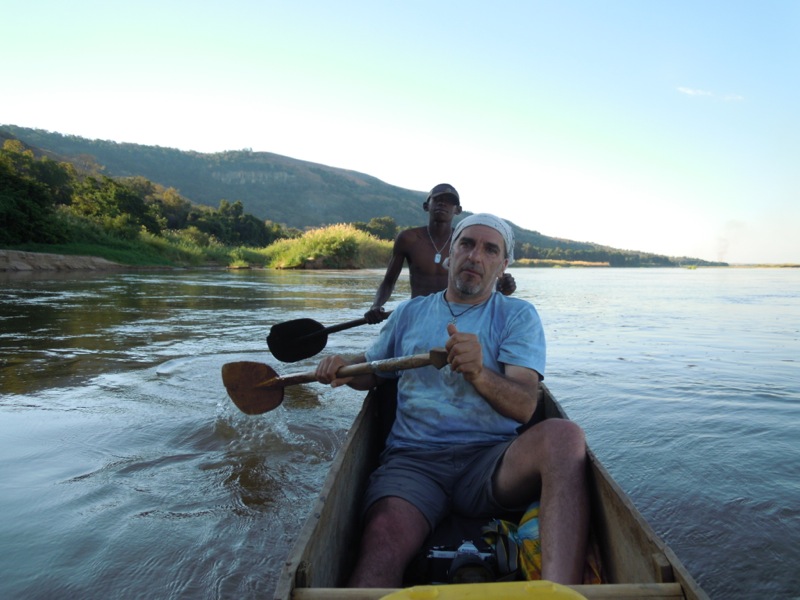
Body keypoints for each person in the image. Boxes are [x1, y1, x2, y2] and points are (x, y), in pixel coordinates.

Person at [317, 213, 589, 587]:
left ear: (503, 264)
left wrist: (478, 373)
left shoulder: (517, 316)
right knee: (382, 539)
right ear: (450, 254)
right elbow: (373, 370)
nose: (476, 256)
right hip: (414, 463)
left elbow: (526, 405)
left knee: (565, 437)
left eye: (490, 249)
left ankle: (562, 593)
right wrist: (341, 367)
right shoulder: (410, 312)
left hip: (490, 464)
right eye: (467, 244)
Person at [364, 183, 516, 324]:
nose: (443, 204)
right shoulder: (408, 239)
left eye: (450, 202)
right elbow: (389, 281)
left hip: (456, 315)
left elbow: (480, 279)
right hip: (417, 315)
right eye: (437, 199)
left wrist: (501, 287)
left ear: (458, 210)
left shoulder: (466, 244)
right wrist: (376, 306)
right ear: (426, 206)